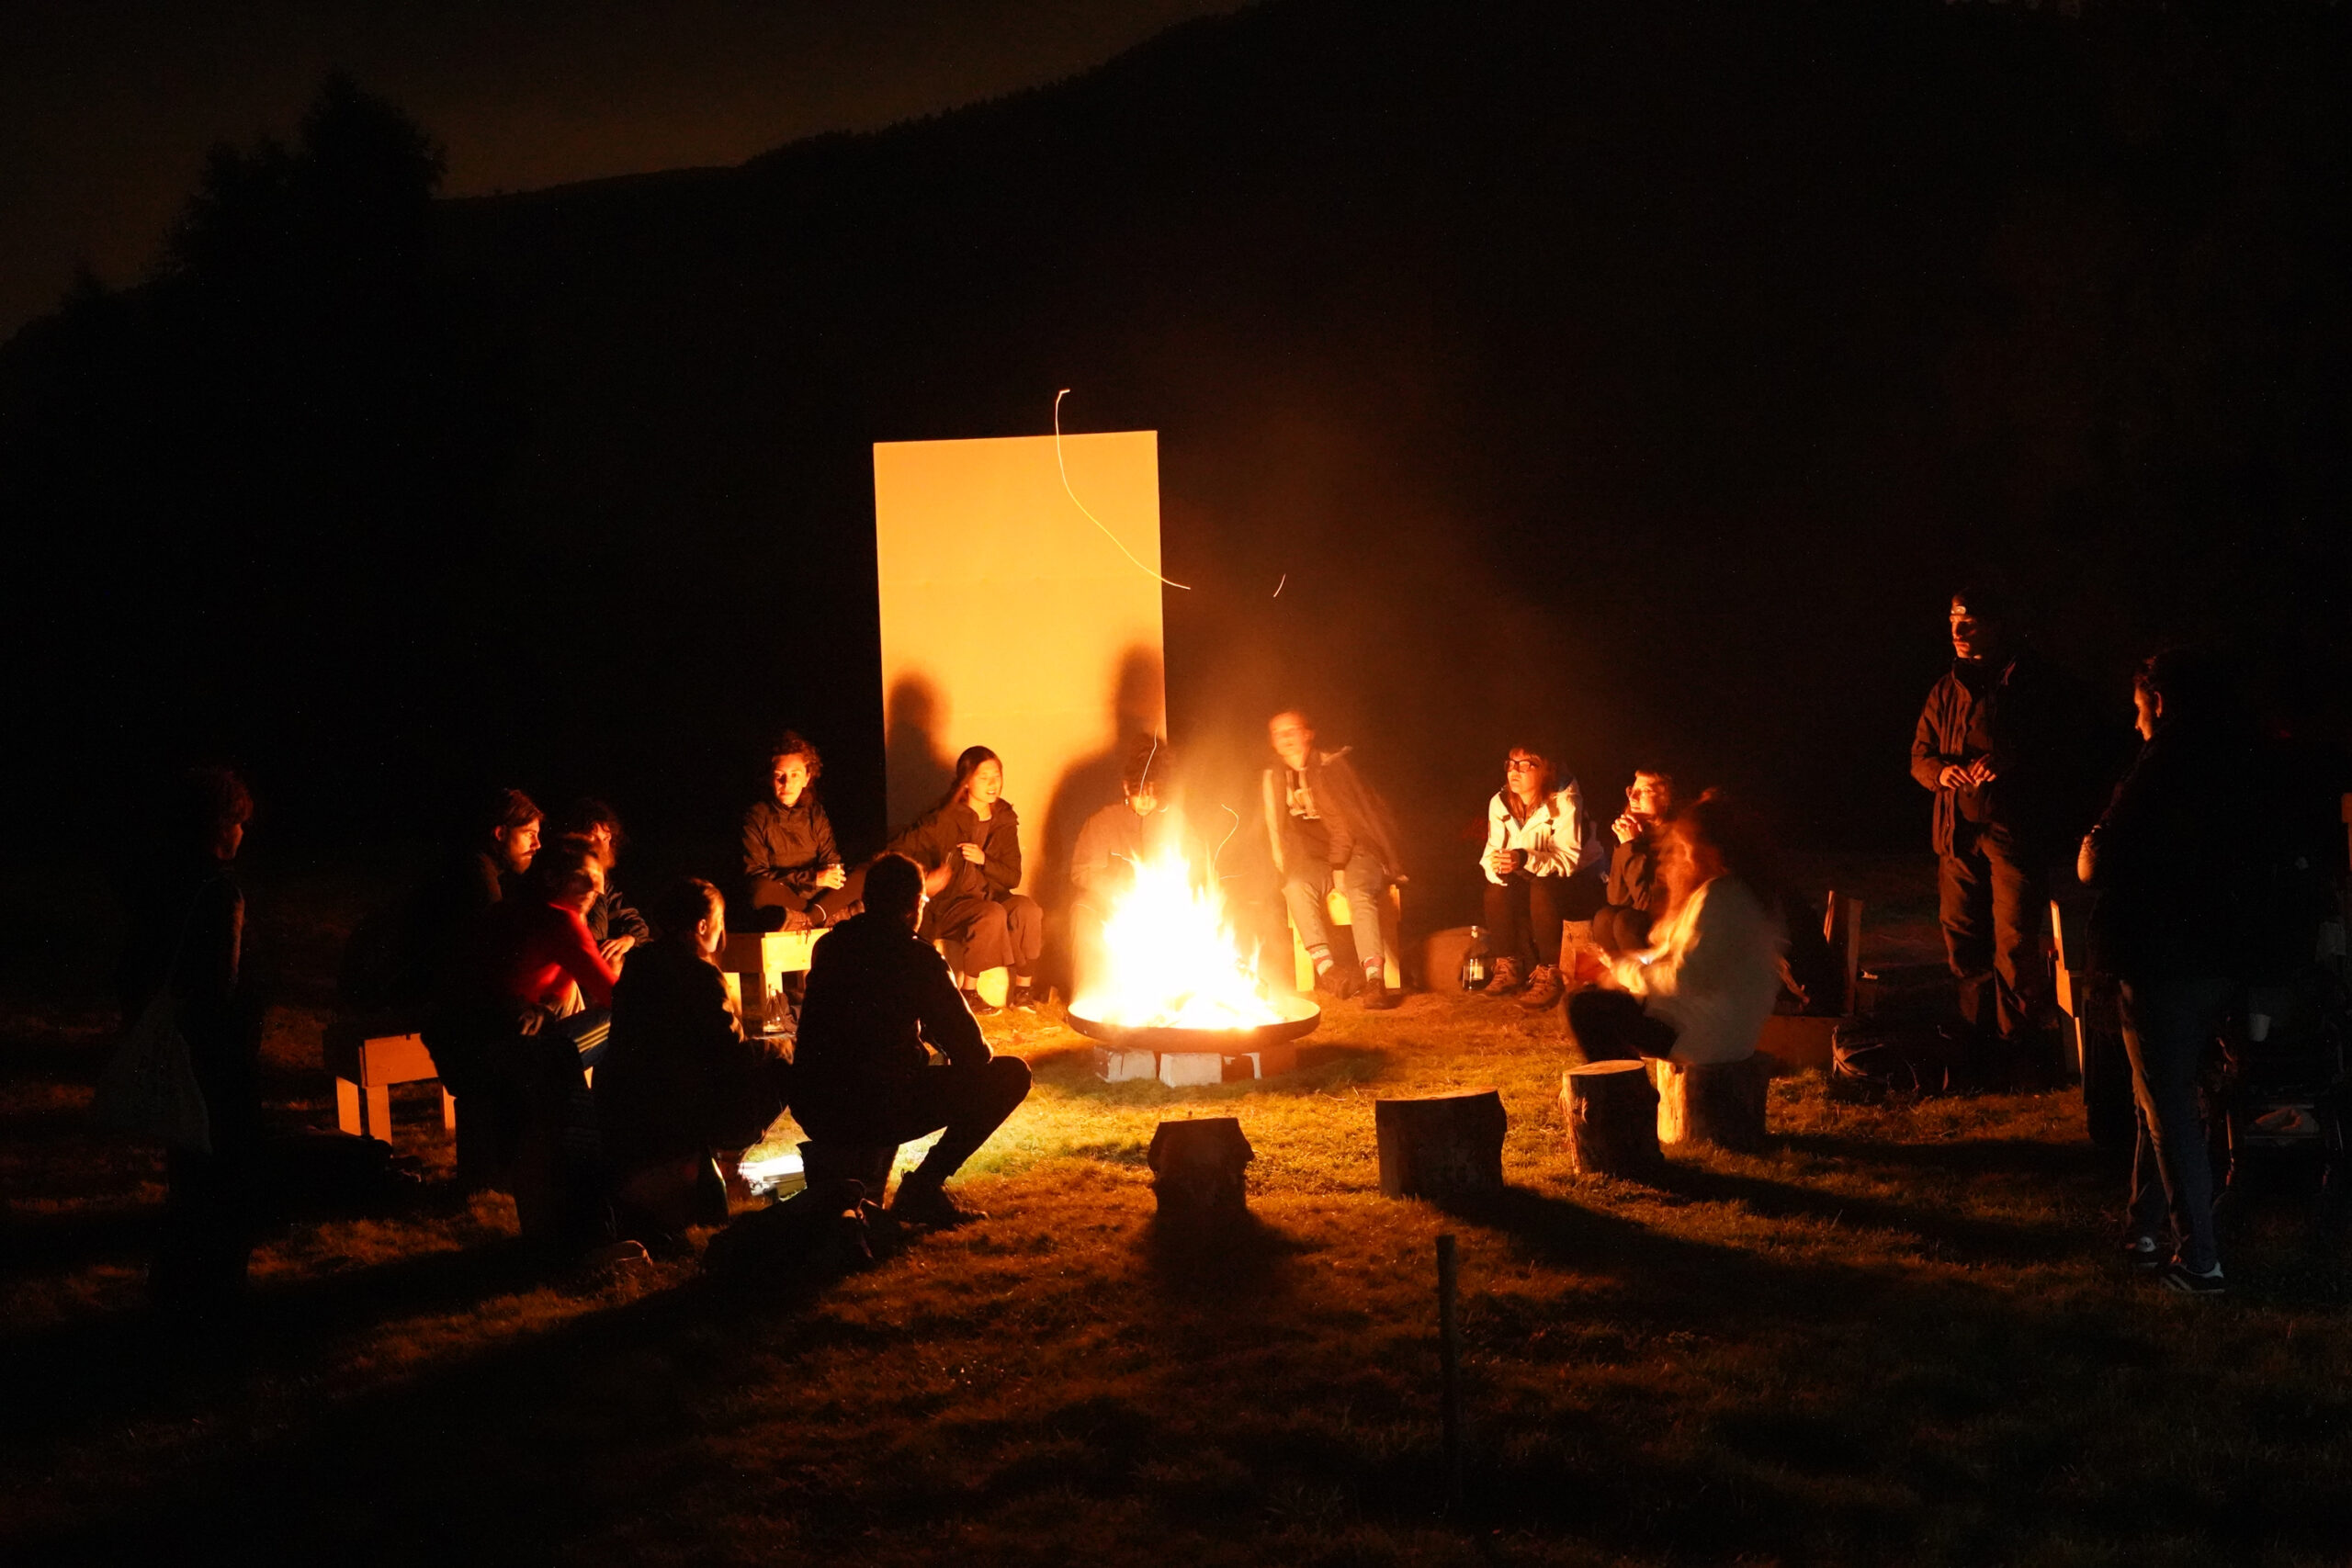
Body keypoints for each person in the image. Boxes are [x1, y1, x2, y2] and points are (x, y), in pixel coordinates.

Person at [2078, 649, 2257, 1295]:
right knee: (2156, 1090)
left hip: (2162, 958)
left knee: (2167, 1107)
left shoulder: (2160, 772)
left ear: (2158, 702)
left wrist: (2090, 848)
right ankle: (2143, 1226)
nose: (2134, 723)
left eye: (2138, 708)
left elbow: (2101, 859)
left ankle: (2199, 1258)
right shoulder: (2235, 765)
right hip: (2219, 957)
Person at [791, 853, 1034, 1228]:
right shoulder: (917, 956)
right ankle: (923, 1187)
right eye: (923, 899)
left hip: (817, 1104)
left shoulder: (831, 946)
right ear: (912, 906)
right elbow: (973, 1053)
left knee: (901, 1068)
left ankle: (876, 1178)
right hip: (877, 1106)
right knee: (1010, 1075)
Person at [1908, 585, 2079, 1073]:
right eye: (1953, 619)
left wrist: (2012, 761)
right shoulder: (1946, 688)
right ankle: (1977, 1039)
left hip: (2012, 831)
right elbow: (1919, 757)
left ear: (1997, 626)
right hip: (1956, 833)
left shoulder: (2032, 685)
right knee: (1962, 937)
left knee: (2016, 943)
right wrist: (1943, 773)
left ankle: (2018, 1047)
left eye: (1971, 621)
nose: (1959, 630)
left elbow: (2063, 751)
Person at [426, 838, 623, 1259]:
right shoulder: (560, 920)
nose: (596, 890)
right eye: (585, 880)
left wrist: (551, 1007)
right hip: (509, 1053)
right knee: (620, 1023)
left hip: (464, 1045)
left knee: (567, 1016)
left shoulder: (514, 909)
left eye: (600, 881)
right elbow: (614, 995)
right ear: (553, 878)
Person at [117, 766, 263, 1310]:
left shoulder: (157, 882)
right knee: (226, 1175)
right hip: (218, 1057)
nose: (243, 834)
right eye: (238, 822)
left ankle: (177, 1289)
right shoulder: (218, 890)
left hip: (179, 1048)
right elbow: (222, 985)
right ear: (220, 825)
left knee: (189, 1173)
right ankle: (216, 1296)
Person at [596, 878, 794, 1248]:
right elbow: (731, 1054)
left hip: (631, 1104)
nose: (722, 932)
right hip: (681, 1109)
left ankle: (717, 1165)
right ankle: (731, 1160)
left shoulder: (638, 964)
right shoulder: (700, 975)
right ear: (702, 926)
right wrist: (782, 1047)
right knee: (783, 1067)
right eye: (719, 922)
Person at [1566, 792, 1786, 1066]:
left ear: (1711, 850)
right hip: (1708, 1025)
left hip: (1703, 1035)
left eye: (1683, 847)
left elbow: (1681, 978)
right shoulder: (1736, 892)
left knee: (1586, 1008)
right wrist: (1630, 961)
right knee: (1591, 998)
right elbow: (1685, 957)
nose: (1677, 858)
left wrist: (1625, 972)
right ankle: (1625, 1086)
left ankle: (1624, 1099)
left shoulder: (1722, 897)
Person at [1262, 710, 1408, 1010]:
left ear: (1308, 734)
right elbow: (1275, 828)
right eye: (1279, 733)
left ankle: (1373, 981)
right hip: (1320, 860)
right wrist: (1284, 869)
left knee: (1357, 891)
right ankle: (1330, 973)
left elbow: (1347, 824)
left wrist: (1340, 866)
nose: (1286, 738)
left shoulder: (1331, 766)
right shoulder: (1275, 777)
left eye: (1292, 731)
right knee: (1295, 887)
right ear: (1273, 742)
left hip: (1358, 852)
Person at [888, 746, 1045, 1011]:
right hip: (952, 904)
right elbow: (896, 851)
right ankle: (968, 993)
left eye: (997, 775)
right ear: (966, 781)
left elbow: (1013, 876)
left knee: (1027, 909)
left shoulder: (1004, 819)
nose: (993, 783)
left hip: (991, 895)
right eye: (984, 777)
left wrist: (985, 861)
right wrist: (925, 879)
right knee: (991, 913)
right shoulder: (945, 819)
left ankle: (1023, 991)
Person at [379, 786, 542, 1013]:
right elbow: (498, 949)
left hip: (415, 984)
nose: (537, 845)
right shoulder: (478, 875)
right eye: (529, 834)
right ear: (500, 834)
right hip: (417, 994)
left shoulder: (476, 865)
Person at [1476, 744, 1608, 1010]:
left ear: (1546, 769)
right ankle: (1508, 965)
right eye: (1511, 764)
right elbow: (1491, 851)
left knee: (1543, 888)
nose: (1515, 771)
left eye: (1526, 765)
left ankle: (1551, 973)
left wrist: (1523, 858)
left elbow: (1567, 862)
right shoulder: (1499, 802)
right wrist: (1498, 867)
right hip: (1530, 874)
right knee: (1496, 891)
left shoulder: (1566, 802)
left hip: (1579, 881)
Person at [741, 731, 852, 931]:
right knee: (759, 891)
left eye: (795, 775)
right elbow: (756, 873)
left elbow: (831, 859)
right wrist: (812, 878)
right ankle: (822, 916)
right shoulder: (757, 816)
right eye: (779, 776)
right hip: (787, 897)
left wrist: (833, 875)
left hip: (818, 895)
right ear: (770, 778)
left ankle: (810, 917)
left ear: (807, 778)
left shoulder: (815, 812)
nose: (787, 783)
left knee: (865, 872)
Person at [554, 798, 651, 971]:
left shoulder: (605, 883)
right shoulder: (563, 878)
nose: (601, 846)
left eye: (606, 838)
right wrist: (597, 884)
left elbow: (636, 922)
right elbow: (594, 934)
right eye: (592, 837)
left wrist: (628, 939)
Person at [1592, 767, 1677, 960]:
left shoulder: (1677, 838)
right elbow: (1616, 898)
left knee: (1626, 922)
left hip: (1670, 921)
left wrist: (1631, 847)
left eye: (1646, 791)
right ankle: (1619, 984)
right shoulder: (1637, 832)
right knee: (1604, 918)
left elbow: (1646, 904)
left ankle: (1645, 986)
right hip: (1643, 913)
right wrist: (1626, 846)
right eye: (1633, 790)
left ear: (1667, 798)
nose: (1634, 797)